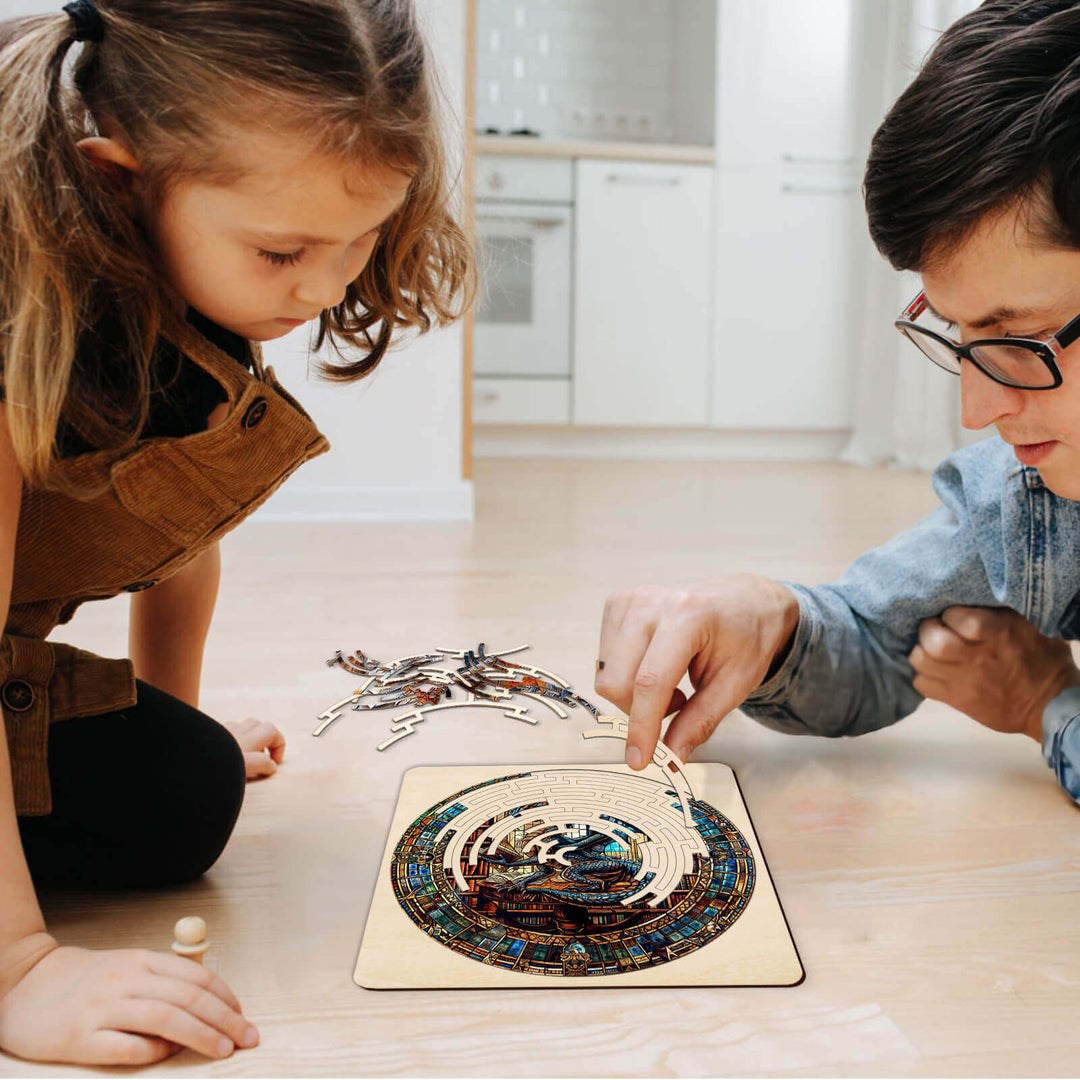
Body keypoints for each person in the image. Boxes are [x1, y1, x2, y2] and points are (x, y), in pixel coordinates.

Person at [0, 0, 472, 1066]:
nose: (327, 285)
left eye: (363, 239)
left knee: (185, 789)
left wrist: (171, 715)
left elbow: (179, 514)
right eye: (282, 251)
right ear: (118, 181)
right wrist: (18, 965)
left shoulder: (168, 271)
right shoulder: (13, 310)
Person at [595, 0, 1080, 811]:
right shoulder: (1026, 498)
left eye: (1020, 338)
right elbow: (877, 636)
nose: (977, 412)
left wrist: (1045, 704)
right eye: (960, 335)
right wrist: (771, 621)